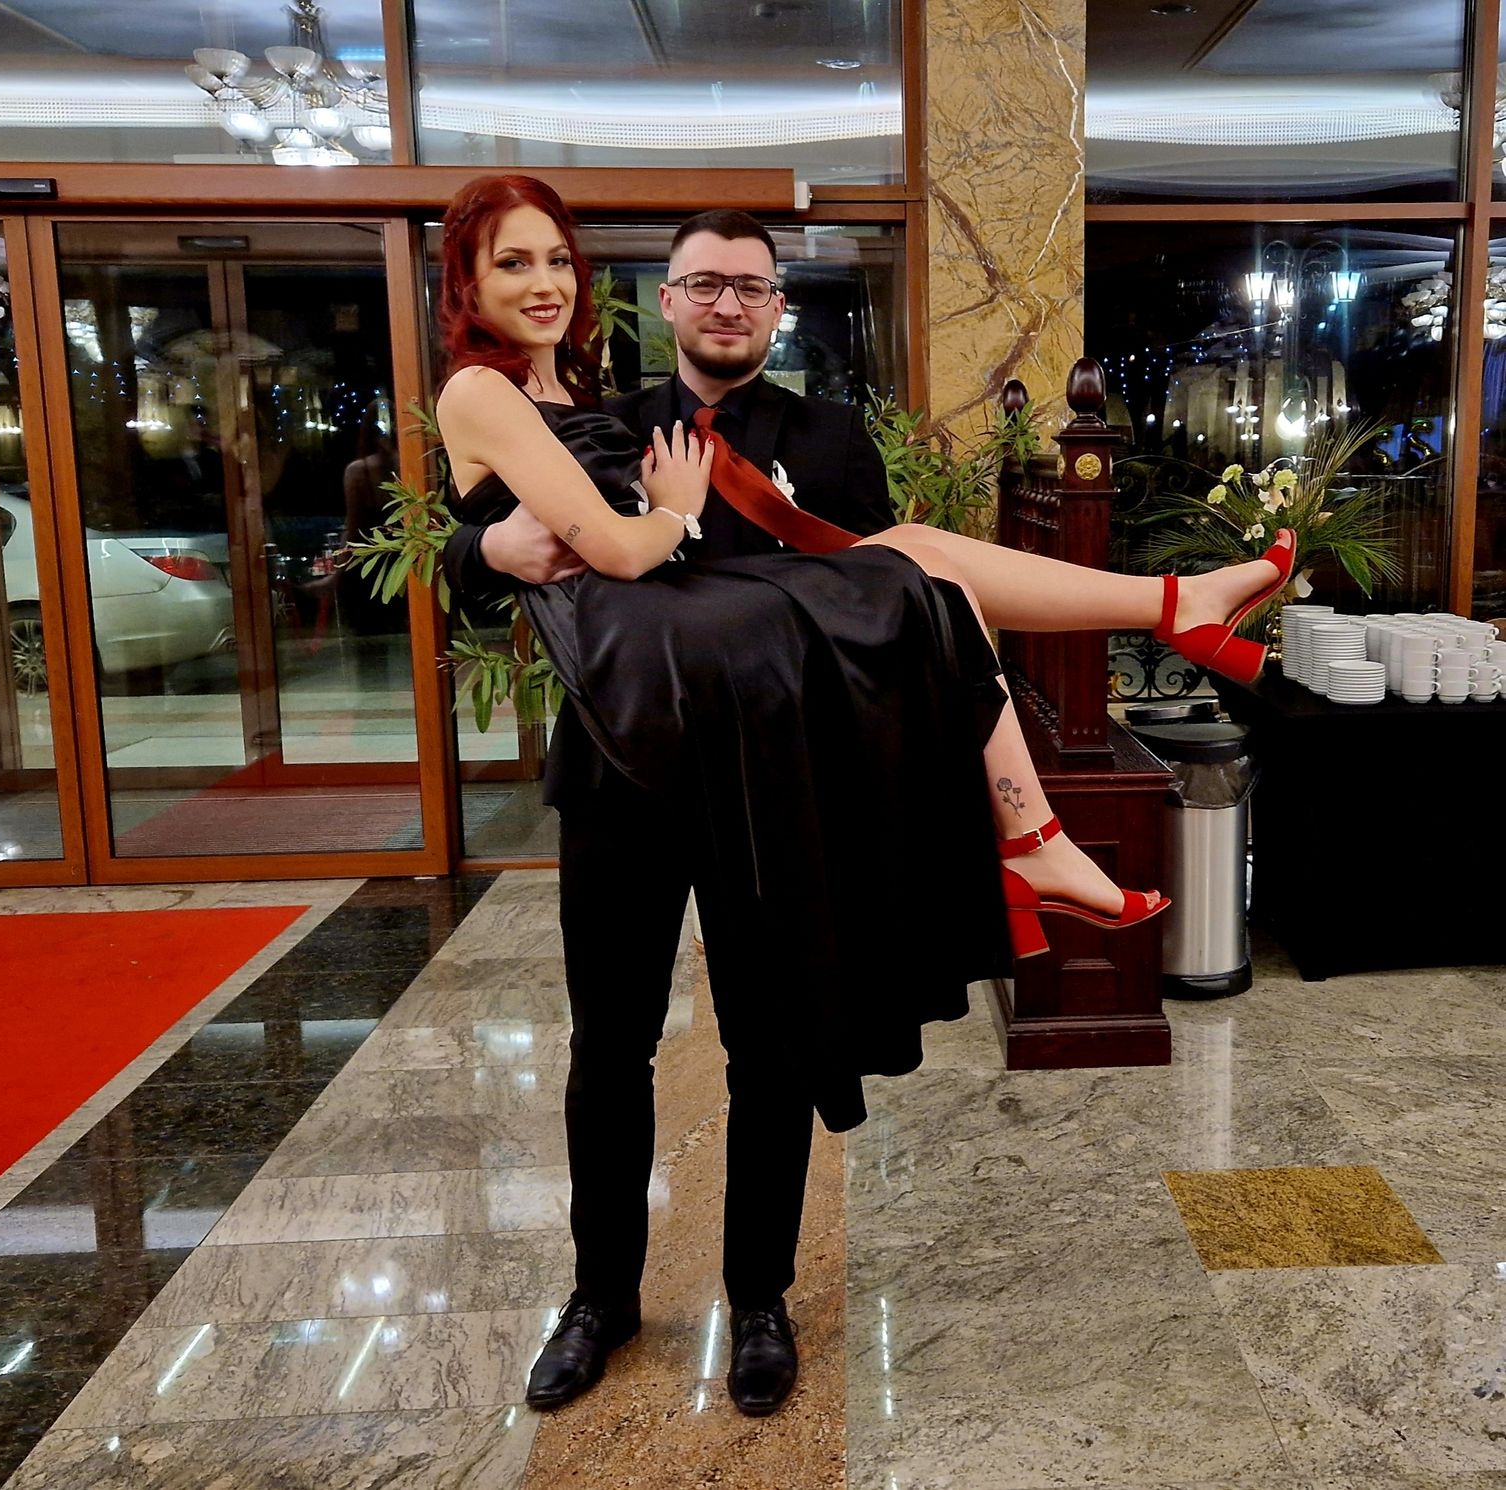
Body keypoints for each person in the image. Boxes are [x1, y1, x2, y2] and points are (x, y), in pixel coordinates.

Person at [436, 175, 1293, 1419]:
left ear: (776, 306)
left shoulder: (830, 435)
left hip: (774, 767)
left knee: (772, 1036)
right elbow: (487, 539)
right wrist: (487, 546)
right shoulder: (598, 410)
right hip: (628, 763)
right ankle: (599, 1296)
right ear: (666, 300)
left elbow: (874, 612)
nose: (726, 304)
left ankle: (761, 1296)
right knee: (608, 1046)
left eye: (750, 286)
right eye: (704, 283)